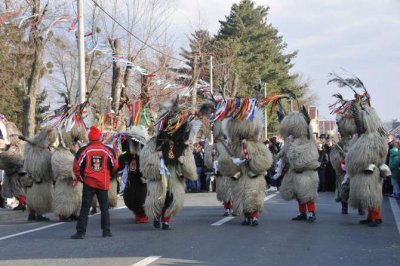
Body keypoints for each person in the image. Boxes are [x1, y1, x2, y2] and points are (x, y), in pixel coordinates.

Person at [71, 126, 119, 239]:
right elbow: (115, 165)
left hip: (89, 182)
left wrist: (80, 178)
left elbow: (76, 166)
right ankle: (106, 231)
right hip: (103, 182)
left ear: (89, 138)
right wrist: (109, 174)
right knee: (104, 207)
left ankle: (81, 232)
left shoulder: (84, 150)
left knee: (85, 208)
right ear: (99, 138)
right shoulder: (107, 150)